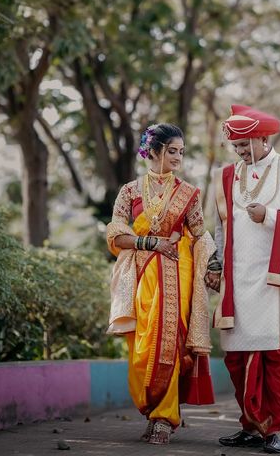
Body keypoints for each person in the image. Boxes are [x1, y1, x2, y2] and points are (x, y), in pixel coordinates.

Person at [205, 104, 280, 454]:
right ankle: (251, 426)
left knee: (277, 358)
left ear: (264, 138)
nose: (239, 152)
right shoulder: (226, 176)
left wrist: (269, 215)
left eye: (245, 144)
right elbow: (221, 228)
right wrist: (215, 264)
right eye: (235, 146)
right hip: (236, 282)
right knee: (237, 359)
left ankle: (275, 430)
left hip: (276, 282)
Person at [106, 123, 220, 445]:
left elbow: (200, 235)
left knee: (169, 341)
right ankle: (152, 407)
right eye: (172, 151)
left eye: (181, 152)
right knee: (141, 346)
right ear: (154, 151)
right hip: (141, 275)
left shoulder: (188, 194)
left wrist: (212, 264)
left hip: (177, 274)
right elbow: (115, 233)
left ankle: (165, 417)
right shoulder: (129, 191)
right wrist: (150, 244)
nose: (178, 158)